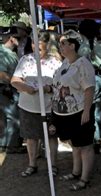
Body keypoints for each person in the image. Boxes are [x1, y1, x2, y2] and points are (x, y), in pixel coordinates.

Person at [11, 31, 62, 177]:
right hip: (28, 106)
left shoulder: (56, 63)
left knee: (51, 137)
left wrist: (48, 88)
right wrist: (25, 87)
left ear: (47, 45)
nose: (35, 48)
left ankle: (52, 165)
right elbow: (14, 80)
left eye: (39, 46)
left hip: (49, 107)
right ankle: (32, 164)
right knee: (31, 137)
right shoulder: (25, 60)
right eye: (33, 44)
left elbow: (62, 86)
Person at [50, 30, 96, 191]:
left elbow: (89, 89)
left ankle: (84, 179)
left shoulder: (83, 63)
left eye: (63, 43)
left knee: (85, 145)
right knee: (74, 144)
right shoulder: (65, 64)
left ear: (72, 45)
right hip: (65, 112)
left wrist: (87, 112)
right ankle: (76, 172)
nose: (60, 46)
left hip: (80, 110)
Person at [78, 19, 101, 144]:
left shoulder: (79, 48)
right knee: (97, 110)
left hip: (85, 80)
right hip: (100, 79)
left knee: (86, 110)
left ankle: (91, 138)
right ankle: (96, 138)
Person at [0, 28, 22, 153]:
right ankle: (12, 146)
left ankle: (5, 144)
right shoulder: (3, 53)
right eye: (18, 38)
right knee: (13, 117)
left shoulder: (10, 52)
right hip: (5, 88)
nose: (20, 40)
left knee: (6, 117)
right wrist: (16, 83)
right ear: (11, 38)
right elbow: (1, 74)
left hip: (8, 88)